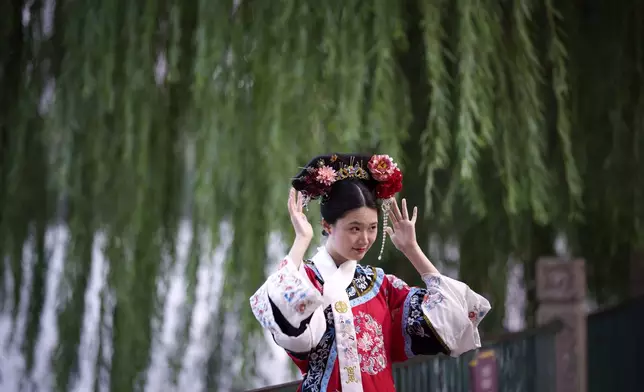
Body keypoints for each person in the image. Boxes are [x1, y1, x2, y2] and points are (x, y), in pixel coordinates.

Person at [250, 153, 491, 392]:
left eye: (372, 228)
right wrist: (301, 240)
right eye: (354, 228)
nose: (364, 239)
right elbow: (277, 303)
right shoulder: (307, 280)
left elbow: (451, 316)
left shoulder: (379, 284)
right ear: (327, 225)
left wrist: (412, 250)